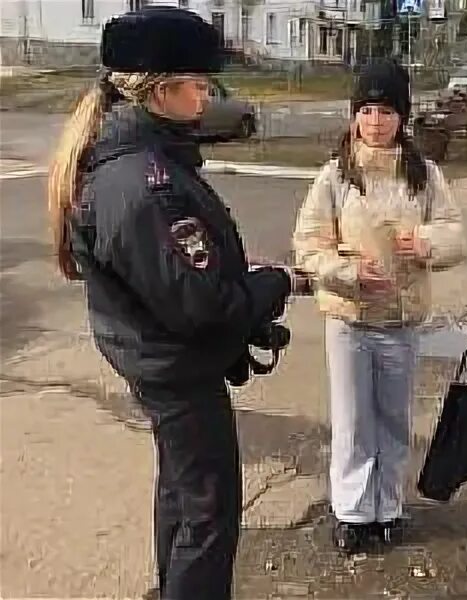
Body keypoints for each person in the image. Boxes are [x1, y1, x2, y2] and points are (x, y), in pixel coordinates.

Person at [47, 7, 298, 599]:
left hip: (163, 360)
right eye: (201, 86)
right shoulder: (141, 183)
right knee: (209, 517)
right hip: (177, 370)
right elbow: (203, 305)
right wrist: (277, 283)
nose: (207, 98)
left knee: (185, 498)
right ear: (161, 91)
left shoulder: (143, 162)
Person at [293, 59, 467, 553]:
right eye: (367, 109)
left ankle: (387, 508)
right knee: (352, 422)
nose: (375, 121)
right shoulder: (335, 177)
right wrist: (347, 273)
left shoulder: (424, 175)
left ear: (402, 117)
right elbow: (307, 245)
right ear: (354, 116)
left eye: (386, 110)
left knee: (393, 420)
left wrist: (427, 244)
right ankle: (351, 513)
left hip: (402, 321)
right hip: (349, 319)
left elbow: (457, 235)